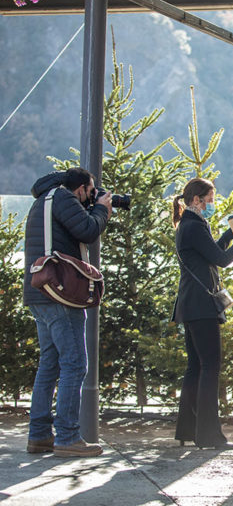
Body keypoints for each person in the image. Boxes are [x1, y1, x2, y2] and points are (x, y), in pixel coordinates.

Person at [23, 168, 112, 457]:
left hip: (40, 292)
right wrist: (102, 209)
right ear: (81, 188)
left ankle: (39, 436)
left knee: (49, 364)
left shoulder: (45, 199)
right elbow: (87, 231)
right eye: (91, 190)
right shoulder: (63, 197)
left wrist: (93, 207)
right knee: (75, 364)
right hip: (60, 293)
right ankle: (67, 437)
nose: (91, 195)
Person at [171, 178, 233, 450]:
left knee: (196, 367)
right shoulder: (195, 226)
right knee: (210, 367)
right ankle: (209, 436)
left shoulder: (189, 224)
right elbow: (222, 261)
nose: (212, 204)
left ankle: (188, 430)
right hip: (202, 305)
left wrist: (228, 237)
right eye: (209, 200)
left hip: (190, 303)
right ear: (196, 200)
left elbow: (209, 255)